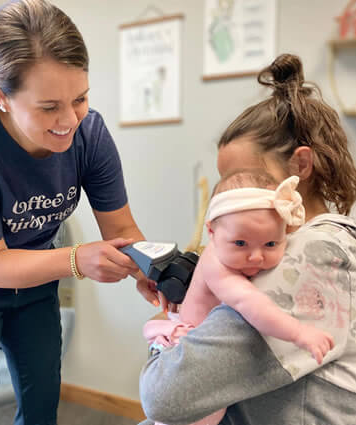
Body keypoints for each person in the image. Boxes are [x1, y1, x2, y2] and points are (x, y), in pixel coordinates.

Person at [0, 1, 160, 424]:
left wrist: (151, 270)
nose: (69, 120)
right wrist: (77, 260)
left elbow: (121, 229)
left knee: (41, 405)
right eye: (48, 107)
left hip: (37, 269)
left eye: (80, 98)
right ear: (1, 96)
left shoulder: (89, 134)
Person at [139, 53, 356, 425]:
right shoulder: (327, 242)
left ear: (301, 167)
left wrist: (168, 329)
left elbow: (163, 395)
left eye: (247, 179)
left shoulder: (313, 256)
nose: (229, 201)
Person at [143, 169, 334, 425]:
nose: (256, 257)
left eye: (270, 244)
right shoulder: (216, 264)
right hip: (189, 357)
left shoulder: (242, 252)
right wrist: (299, 332)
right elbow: (252, 304)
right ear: (211, 232)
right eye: (240, 244)